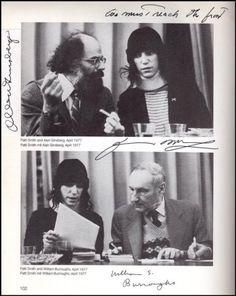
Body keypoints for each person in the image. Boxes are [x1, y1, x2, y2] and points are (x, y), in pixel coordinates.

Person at [104, 26, 212, 136]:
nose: (144, 61)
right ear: (132, 60)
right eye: (137, 56)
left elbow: (207, 128)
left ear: (159, 54)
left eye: (149, 53)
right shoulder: (127, 100)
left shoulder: (186, 90)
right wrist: (119, 133)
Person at [110, 162, 212, 260]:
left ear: (161, 188)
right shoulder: (121, 215)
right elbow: (118, 253)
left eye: (142, 191)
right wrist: (114, 253)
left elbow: (206, 250)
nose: (133, 199)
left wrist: (186, 253)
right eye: (132, 189)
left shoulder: (190, 211)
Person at [21, 31, 115, 136]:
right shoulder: (33, 93)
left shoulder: (104, 95)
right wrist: (49, 109)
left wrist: (117, 134)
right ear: (72, 64)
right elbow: (35, 147)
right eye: (94, 60)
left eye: (102, 59)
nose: (102, 66)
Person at [24, 159, 104, 255]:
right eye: (68, 185)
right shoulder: (39, 217)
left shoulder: (95, 220)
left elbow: (98, 258)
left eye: (79, 186)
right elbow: (28, 257)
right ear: (58, 186)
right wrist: (46, 249)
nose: (74, 191)